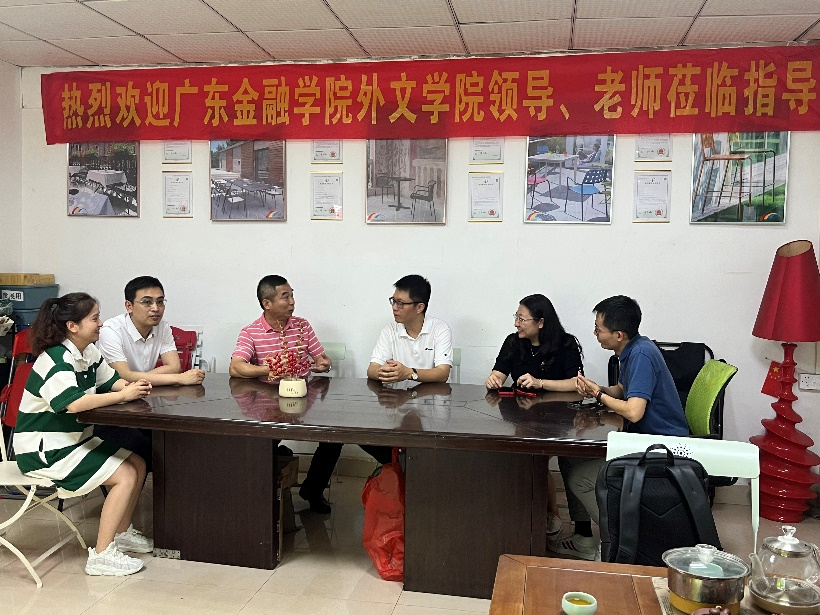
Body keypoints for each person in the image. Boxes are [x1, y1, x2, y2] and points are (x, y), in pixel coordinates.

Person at [14, 293, 154, 577]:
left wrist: (131, 387)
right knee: (125, 474)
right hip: (44, 451)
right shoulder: (55, 359)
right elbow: (75, 403)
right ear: (72, 326)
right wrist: (123, 396)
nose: (101, 323)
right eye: (94, 318)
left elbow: (110, 381)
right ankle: (101, 555)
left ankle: (121, 533)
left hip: (72, 442)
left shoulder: (87, 352)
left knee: (138, 463)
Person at [550, 295, 689, 561]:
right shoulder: (634, 349)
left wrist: (599, 396)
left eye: (598, 329)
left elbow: (634, 411)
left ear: (618, 334)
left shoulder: (641, 355)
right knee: (569, 458)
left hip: (662, 447)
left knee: (581, 478)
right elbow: (625, 391)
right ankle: (583, 538)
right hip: (645, 438)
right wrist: (598, 389)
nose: (595, 334)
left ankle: (619, 545)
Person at [229, 275, 336, 513]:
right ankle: (261, 499)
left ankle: (313, 490)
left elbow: (321, 358)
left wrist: (323, 363)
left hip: (302, 401)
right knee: (261, 443)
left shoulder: (302, 326)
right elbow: (236, 367)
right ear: (267, 303)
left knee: (333, 438)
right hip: (266, 404)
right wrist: (272, 369)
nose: (292, 302)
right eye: (285, 297)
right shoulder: (251, 332)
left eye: (292, 295)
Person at [485, 294, 584, 538]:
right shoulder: (513, 342)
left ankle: (550, 514)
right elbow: (499, 372)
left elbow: (577, 384)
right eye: (516, 317)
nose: (516, 324)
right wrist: (494, 379)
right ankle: (523, 518)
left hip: (556, 418)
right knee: (521, 458)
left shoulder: (566, 344)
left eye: (522, 319)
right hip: (520, 415)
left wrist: (540, 382)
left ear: (540, 322)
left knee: (536, 459)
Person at [97, 276, 206, 468]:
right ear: (129, 306)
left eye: (160, 301)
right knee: (152, 449)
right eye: (147, 302)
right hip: (110, 407)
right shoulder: (111, 330)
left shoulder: (162, 326)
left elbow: (173, 366)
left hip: (141, 399)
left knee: (179, 439)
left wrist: (139, 378)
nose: (156, 308)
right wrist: (180, 379)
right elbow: (123, 375)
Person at [367, 274, 453, 384]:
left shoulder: (440, 329)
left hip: (432, 393)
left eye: (400, 303)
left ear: (419, 307)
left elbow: (442, 373)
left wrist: (408, 373)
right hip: (399, 393)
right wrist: (386, 373)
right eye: (393, 301)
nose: (394, 307)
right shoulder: (389, 330)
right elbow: (372, 369)